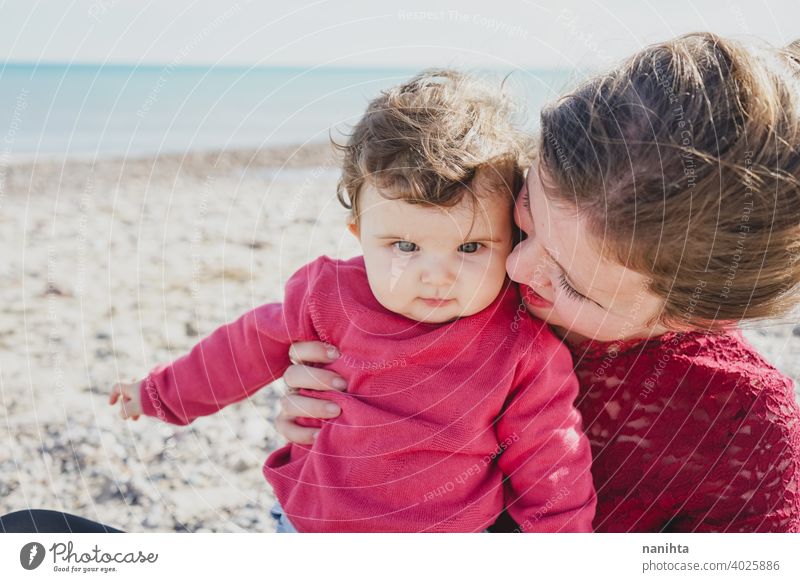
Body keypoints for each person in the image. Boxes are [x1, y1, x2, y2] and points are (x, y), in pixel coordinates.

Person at [275, 33, 800, 532]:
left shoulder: (745, 431)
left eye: (571, 282)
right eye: (523, 220)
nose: (517, 269)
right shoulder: (465, 269)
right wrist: (338, 415)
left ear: (696, 316)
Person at [108, 71, 596, 533]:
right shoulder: (328, 298)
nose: (437, 274)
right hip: (312, 525)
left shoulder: (520, 347)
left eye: (470, 247)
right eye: (404, 246)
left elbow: (552, 462)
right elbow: (241, 349)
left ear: (509, 236)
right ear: (360, 235)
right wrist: (159, 394)